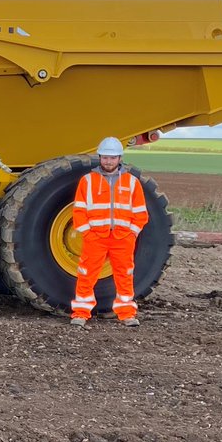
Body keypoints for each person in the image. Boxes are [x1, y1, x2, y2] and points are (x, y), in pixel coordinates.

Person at [70, 136, 149, 328]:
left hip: (123, 238)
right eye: (105, 157)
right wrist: (87, 233)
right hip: (95, 237)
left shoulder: (131, 182)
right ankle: (80, 313)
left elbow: (141, 213)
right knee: (87, 274)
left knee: (125, 275)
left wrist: (132, 233)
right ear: (99, 157)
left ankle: (126, 313)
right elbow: (79, 210)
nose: (108, 161)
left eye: (112, 158)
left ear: (119, 158)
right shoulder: (87, 181)